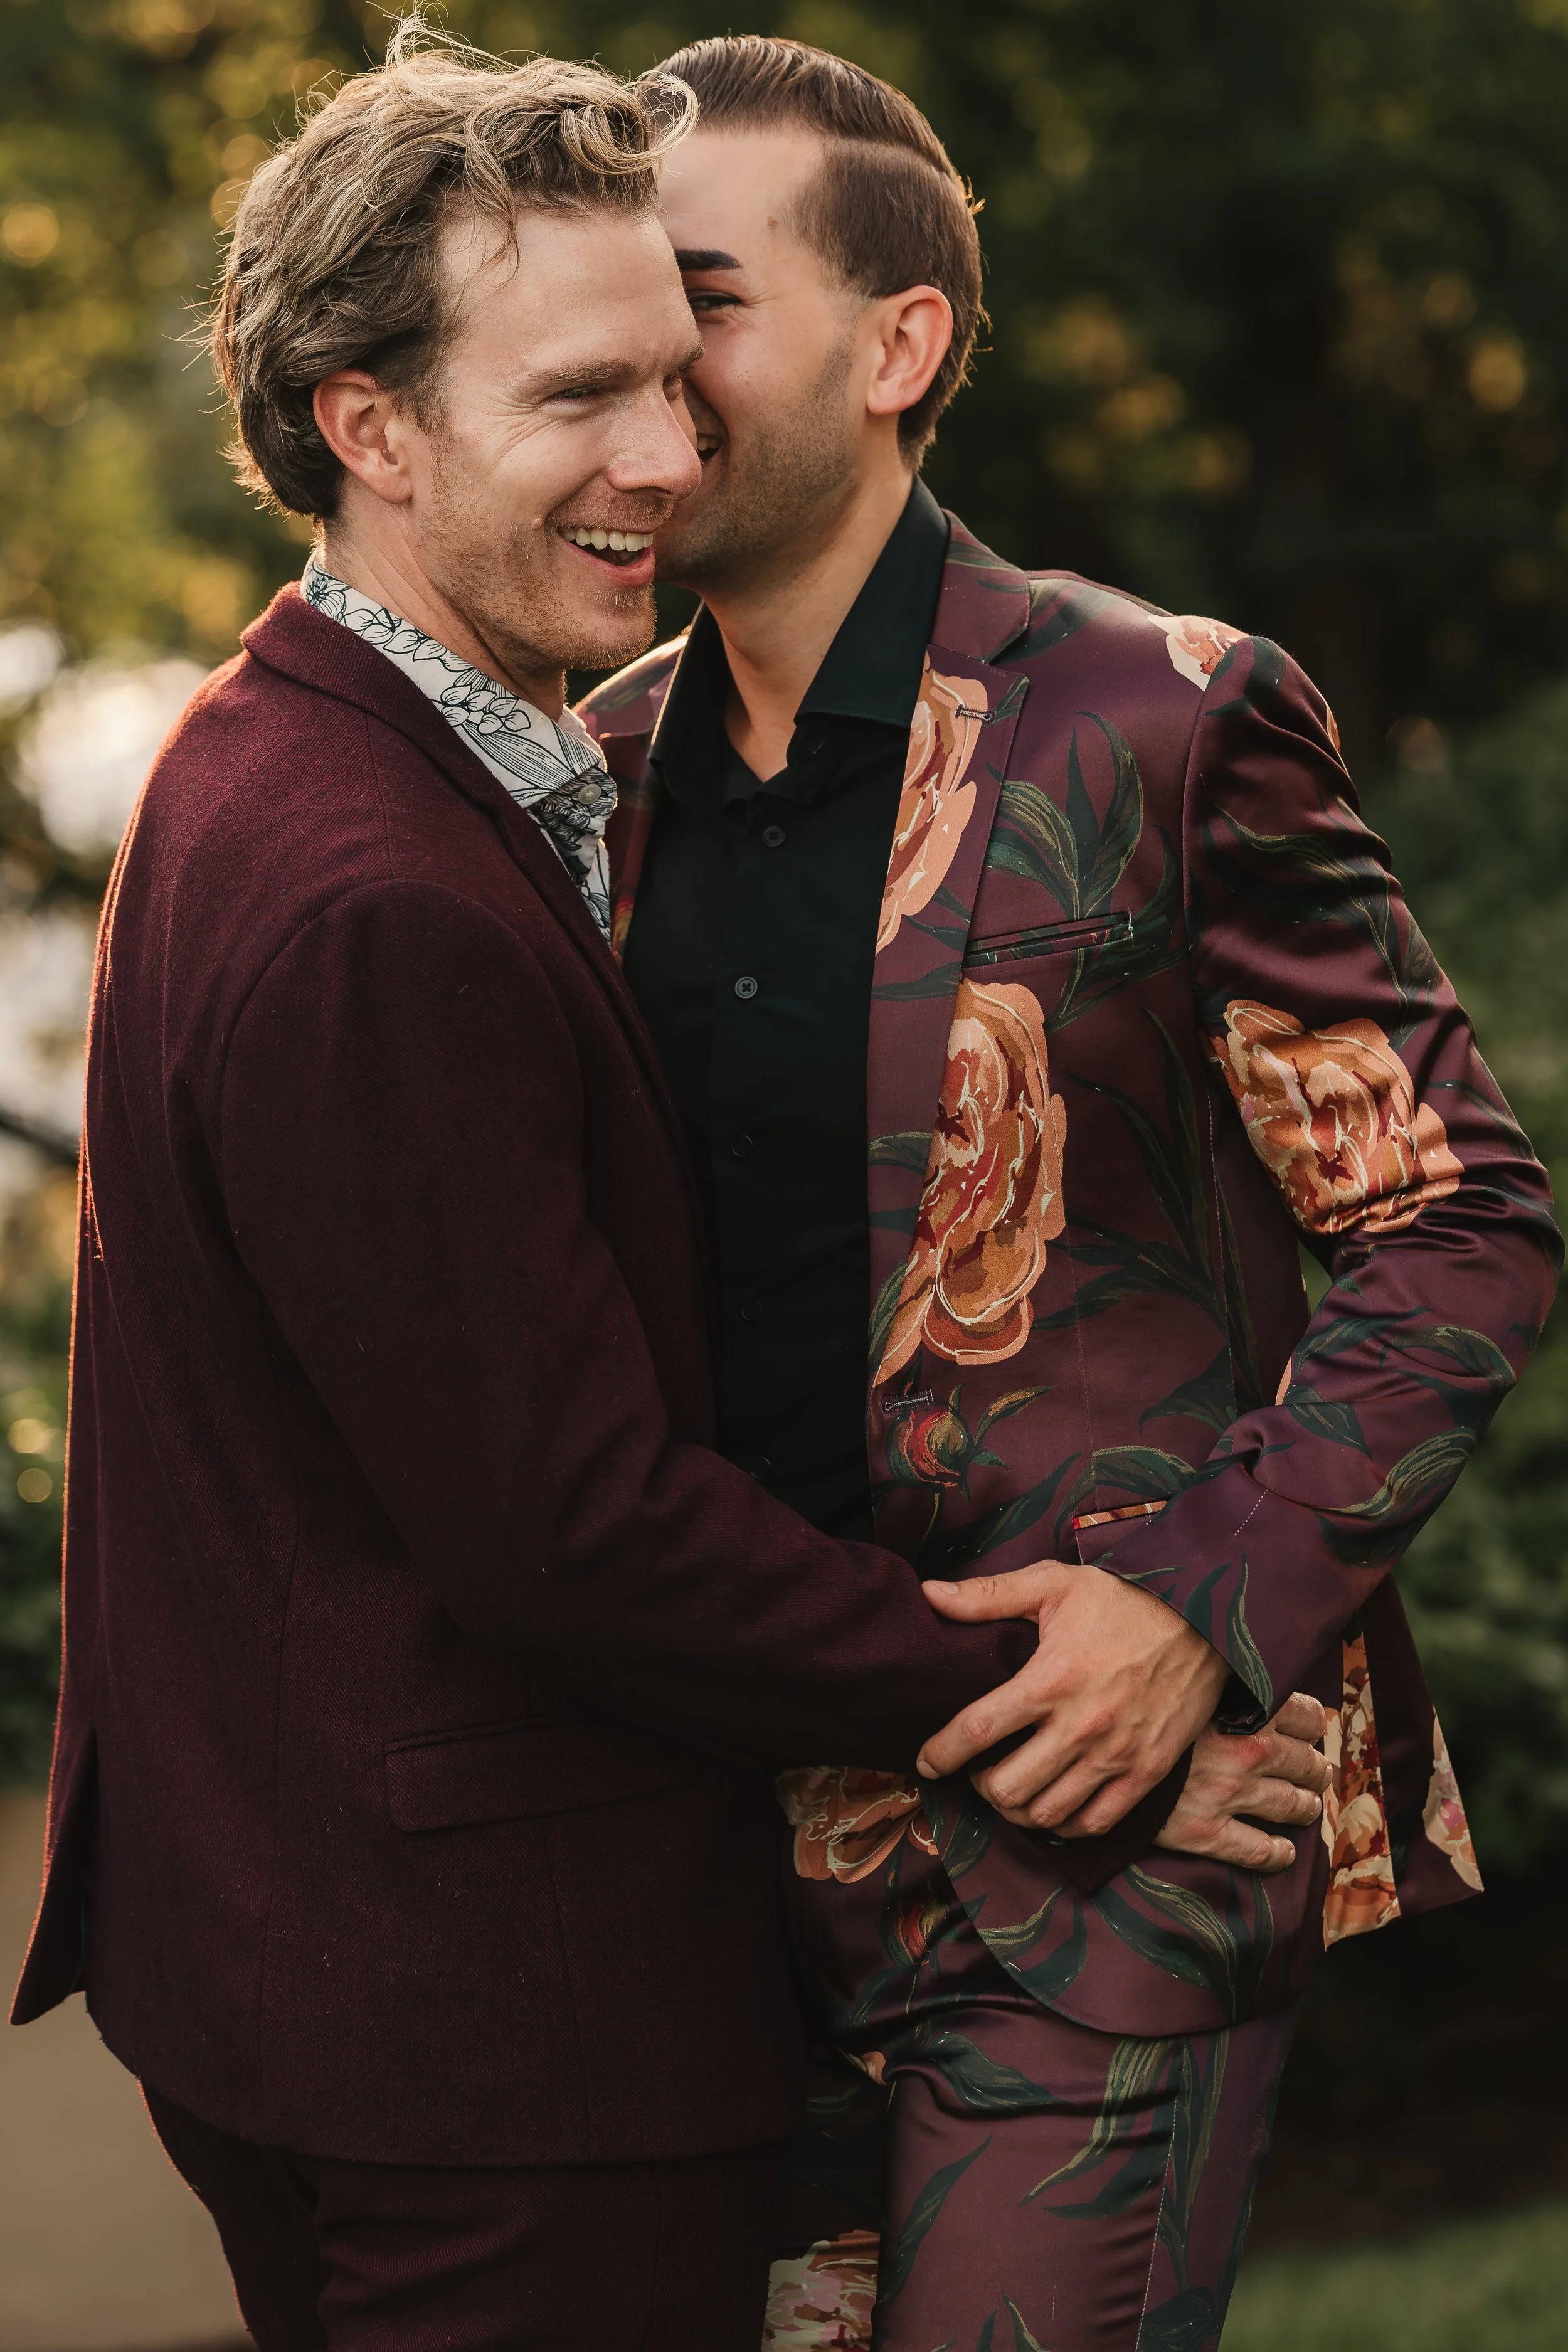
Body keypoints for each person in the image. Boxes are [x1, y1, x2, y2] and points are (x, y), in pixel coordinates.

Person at [9, 36, 1089, 2352]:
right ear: (363, 424)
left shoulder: (272, 745)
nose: (671, 458)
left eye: (682, 383)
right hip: (493, 2033)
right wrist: (1021, 1674)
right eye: (578, 395)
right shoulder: (369, 884)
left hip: (324, 1949)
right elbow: (566, 1526)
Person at [578, 34, 1562, 2352]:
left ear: (896, 344)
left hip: (1100, 1840)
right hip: (696, 1871)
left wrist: (1201, 1613)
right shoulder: (579, 780)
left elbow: (1454, 1222)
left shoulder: (1164, 713)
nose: (648, 366)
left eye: (706, 296)